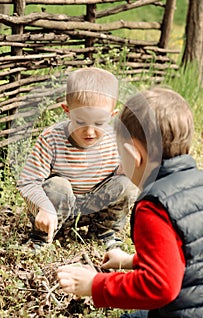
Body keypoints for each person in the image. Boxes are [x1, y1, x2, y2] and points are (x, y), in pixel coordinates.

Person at [57, 87, 203, 318]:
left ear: (135, 155)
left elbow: (160, 286)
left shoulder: (155, 207)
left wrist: (95, 284)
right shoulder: (198, 183)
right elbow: (189, 252)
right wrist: (130, 261)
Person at [17, 67, 136, 249]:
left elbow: (122, 178)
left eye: (99, 123)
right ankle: (42, 237)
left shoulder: (116, 139)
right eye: (80, 122)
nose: (89, 131)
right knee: (59, 186)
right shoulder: (52, 139)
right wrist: (43, 206)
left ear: (112, 116)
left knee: (127, 184)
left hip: (95, 207)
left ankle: (103, 231)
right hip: (56, 209)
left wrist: (127, 169)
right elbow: (28, 182)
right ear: (67, 110)